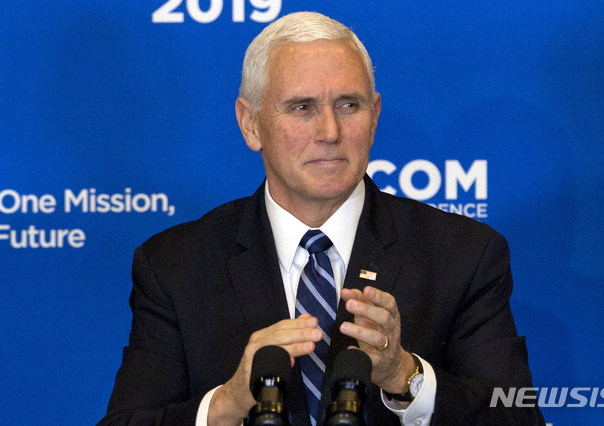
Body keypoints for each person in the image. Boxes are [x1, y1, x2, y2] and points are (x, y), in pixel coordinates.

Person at [98, 11, 545, 426]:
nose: (330, 132)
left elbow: (517, 417)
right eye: (302, 107)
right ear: (250, 124)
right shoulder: (176, 265)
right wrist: (229, 402)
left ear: (374, 118)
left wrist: (407, 376)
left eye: (349, 105)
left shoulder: (463, 255)